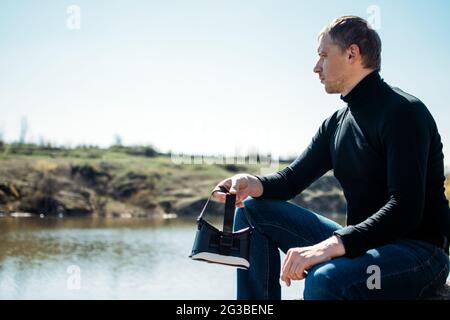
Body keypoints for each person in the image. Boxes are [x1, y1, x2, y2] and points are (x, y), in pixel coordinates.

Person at [213, 16, 450, 300]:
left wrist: (330, 246)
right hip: (363, 243)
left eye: (323, 56)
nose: (316, 67)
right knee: (251, 211)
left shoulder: (403, 113)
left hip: (419, 252)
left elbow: (406, 209)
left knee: (326, 280)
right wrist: (250, 182)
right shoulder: (335, 124)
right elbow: (290, 181)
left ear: (352, 53)